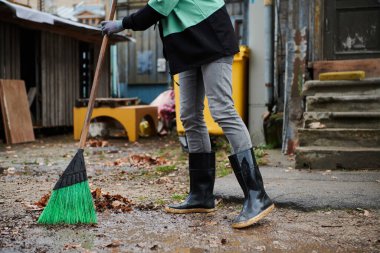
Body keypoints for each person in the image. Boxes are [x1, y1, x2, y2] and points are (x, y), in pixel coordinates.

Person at [101, 0, 274, 229]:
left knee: (222, 110)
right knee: (190, 116)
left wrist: (122, 23)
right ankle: (201, 195)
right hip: (187, 44)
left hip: (210, 35)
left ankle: (256, 195)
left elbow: (159, 7)